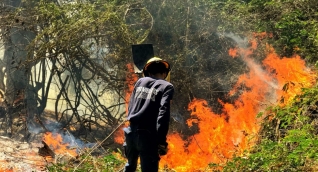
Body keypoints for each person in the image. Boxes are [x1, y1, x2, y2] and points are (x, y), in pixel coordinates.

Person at [123, 57, 174, 172]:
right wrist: (161, 141)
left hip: (130, 133)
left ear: (147, 72)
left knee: (130, 167)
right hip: (147, 137)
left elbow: (131, 106)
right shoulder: (167, 86)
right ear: (165, 73)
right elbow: (163, 114)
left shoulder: (140, 82)